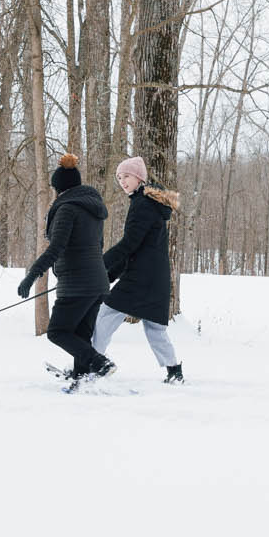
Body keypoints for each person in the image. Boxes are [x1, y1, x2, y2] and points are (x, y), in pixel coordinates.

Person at [18, 152, 113, 390]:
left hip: (77, 284)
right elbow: (98, 246)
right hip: (97, 283)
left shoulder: (67, 209)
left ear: (59, 188)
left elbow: (56, 248)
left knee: (57, 332)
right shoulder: (93, 209)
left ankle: (99, 363)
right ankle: (81, 378)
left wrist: (31, 276)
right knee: (80, 335)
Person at [90, 156, 185, 383]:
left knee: (105, 317)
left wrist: (98, 266)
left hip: (141, 278)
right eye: (119, 178)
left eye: (126, 176)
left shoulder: (142, 205)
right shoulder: (149, 203)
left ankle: (91, 364)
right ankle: (174, 371)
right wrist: (107, 275)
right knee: (154, 328)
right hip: (153, 277)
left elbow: (129, 245)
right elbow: (136, 248)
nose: (122, 182)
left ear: (139, 178)